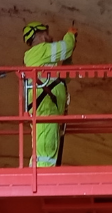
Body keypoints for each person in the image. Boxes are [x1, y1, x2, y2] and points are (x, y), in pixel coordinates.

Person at [22, 21, 76, 167]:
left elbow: (64, 78)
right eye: (46, 32)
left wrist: (68, 60)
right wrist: (70, 34)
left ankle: (42, 177)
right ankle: (41, 180)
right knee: (46, 150)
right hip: (46, 109)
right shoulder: (40, 50)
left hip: (47, 108)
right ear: (39, 35)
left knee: (46, 148)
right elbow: (67, 47)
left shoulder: (43, 61)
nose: (49, 36)